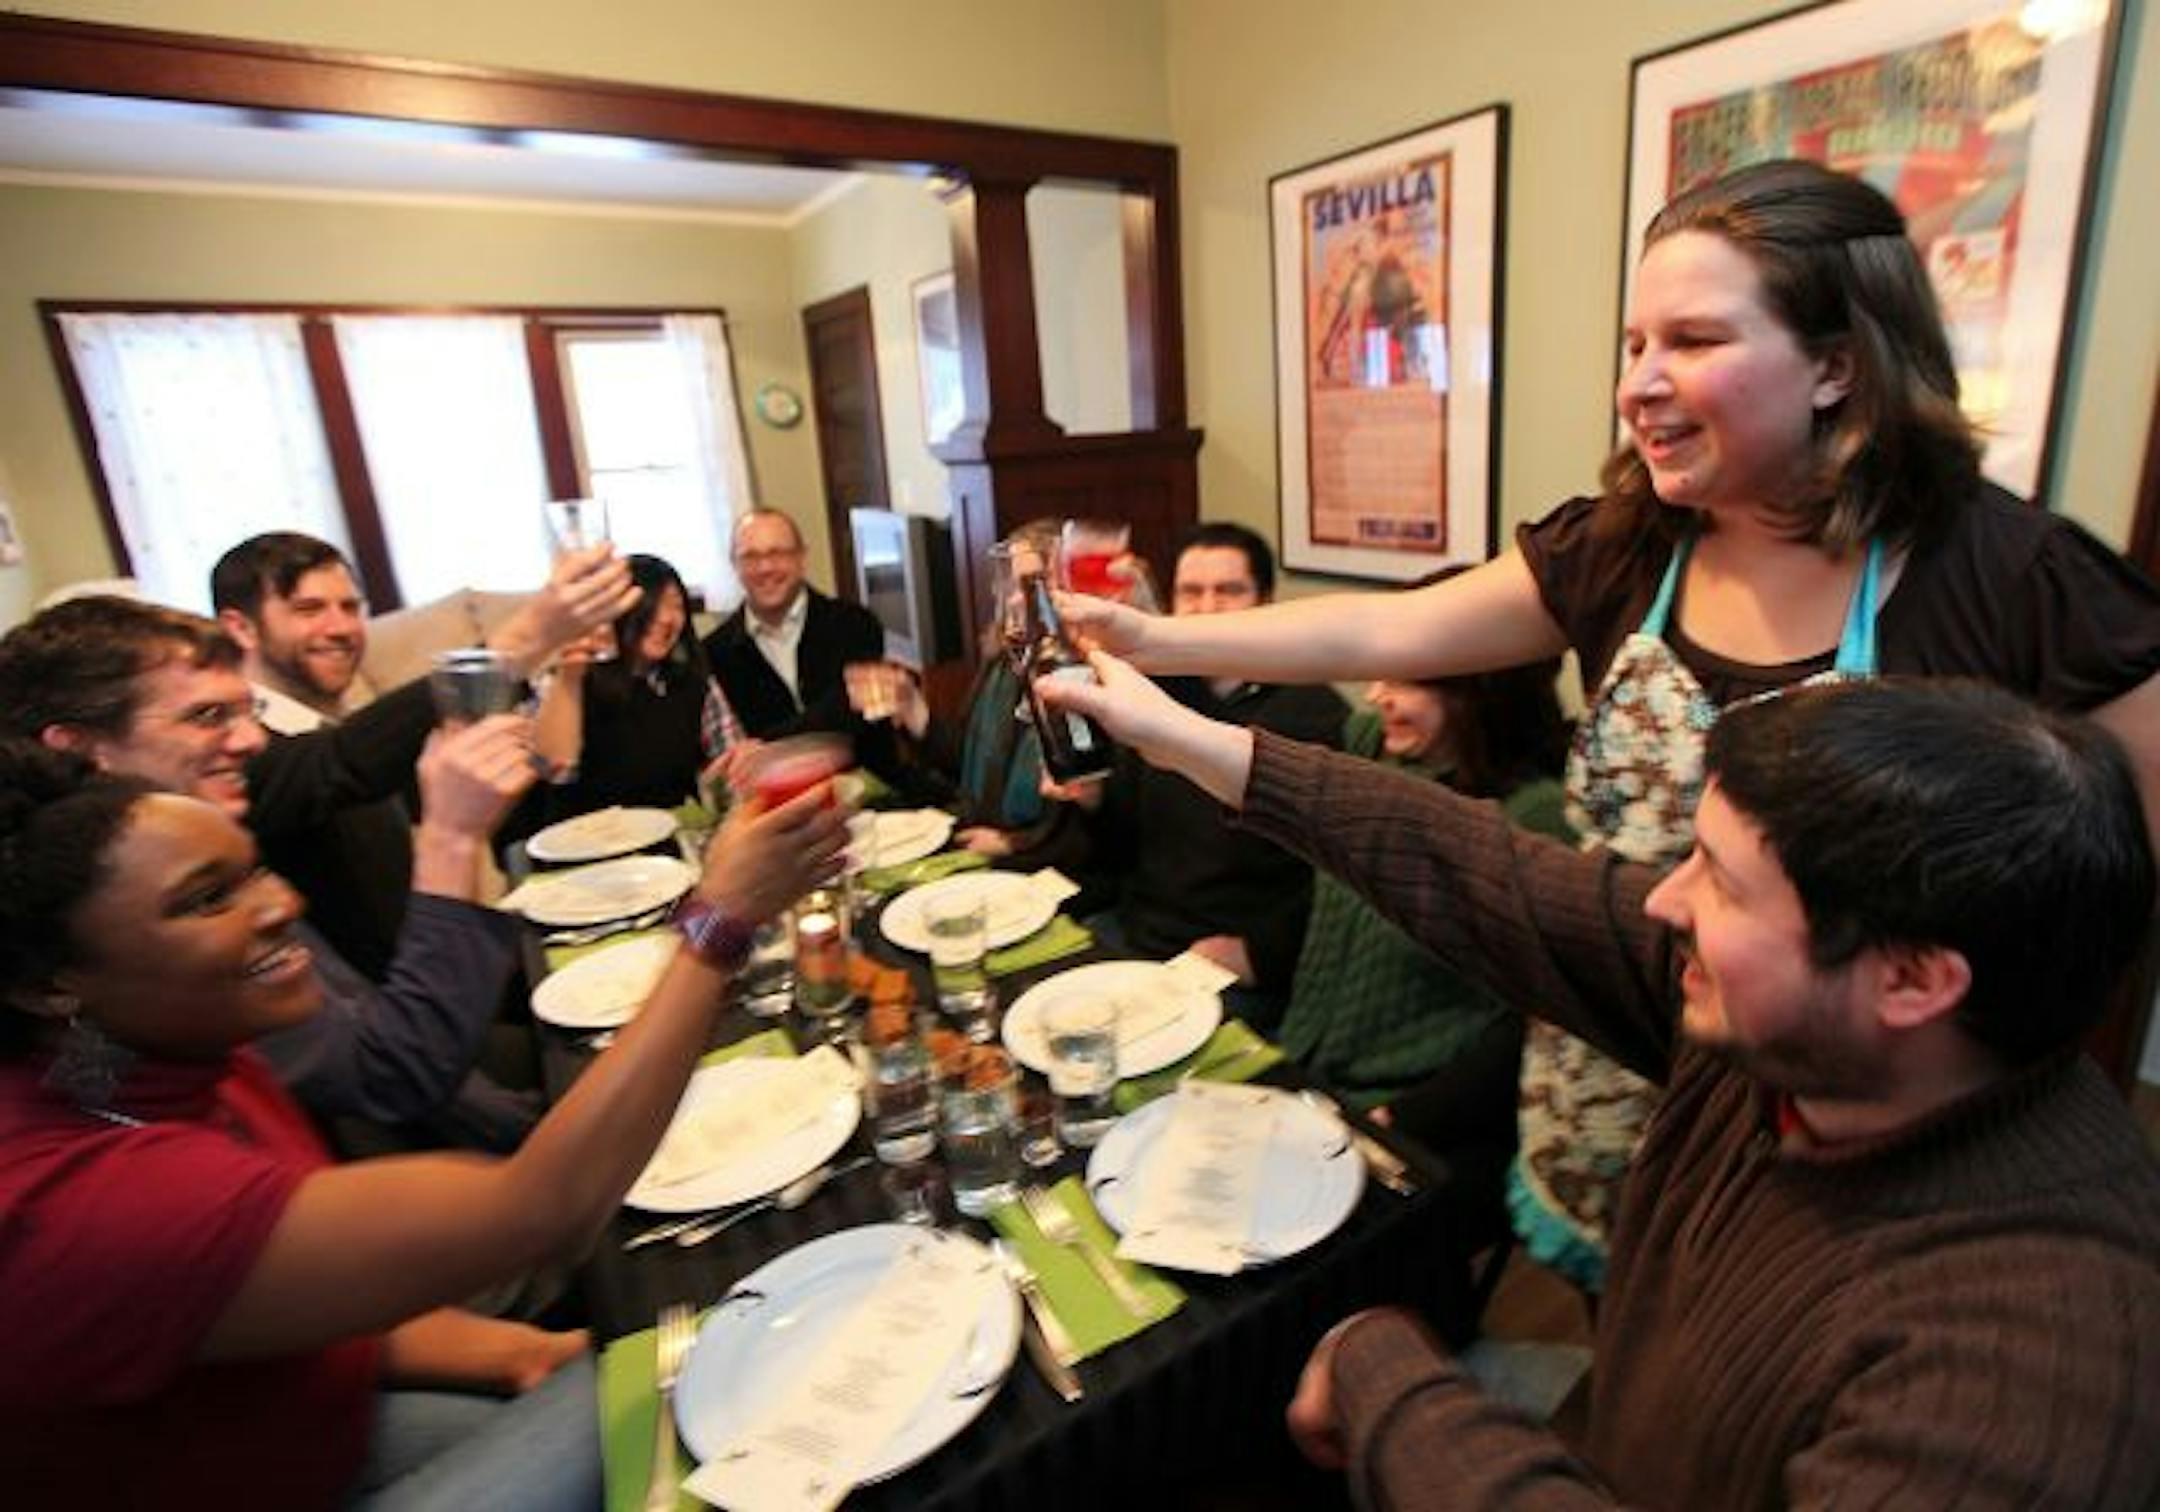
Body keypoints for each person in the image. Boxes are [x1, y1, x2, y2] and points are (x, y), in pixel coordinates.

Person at [1064, 158, 2160, 1289]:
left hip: (1849, 1150)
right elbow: (1383, 630)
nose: (1640, 384)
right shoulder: (1624, 549)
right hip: (1604, 1084)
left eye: (1694, 340)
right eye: (1635, 345)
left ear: (1837, 365)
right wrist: (1153, 642)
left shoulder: (2018, 583)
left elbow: (2100, 917)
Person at [1049, 663, 2160, 1507]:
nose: (1666, 903)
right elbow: (1489, 871)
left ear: (1912, 979)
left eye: (1721, 881)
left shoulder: (2024, 1371)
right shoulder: (1803, 1030)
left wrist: (1388, 1384)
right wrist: (1191, 740)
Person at [0, 737, 846, 1510]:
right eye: (206, 899)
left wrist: (514, 1353)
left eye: (256, 871)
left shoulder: (119, 1058)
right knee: (750, 1385)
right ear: (49, 983)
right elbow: (544, 1209)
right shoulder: (82, 1203)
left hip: (308, 1426)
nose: (282, 902)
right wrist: (718, 921)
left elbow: (297, 1286)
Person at [0, 598, 533, 1145]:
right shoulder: (116, 930)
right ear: (79, 749)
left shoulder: (201, 835)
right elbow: (388, 1074)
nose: (253, 740)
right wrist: (452, 836)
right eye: (207, 716)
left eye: (247, 710)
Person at [210, 531, 636, 980]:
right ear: (241, 628)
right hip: (393, 1002)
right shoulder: (232, 754)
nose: (341, 628)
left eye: (350, 608)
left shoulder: (334, 721)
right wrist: (527, 637)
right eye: (309, 609)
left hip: (451, 958)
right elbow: (336, 764)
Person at [1279, 636, 1572, 1190]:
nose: (1375, 695)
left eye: (1403, 681)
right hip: (1309, 1071)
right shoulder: (1372, 748)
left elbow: (1537, 1021)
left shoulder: (1535, 817)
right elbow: (1342, 909)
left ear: (1476, 694)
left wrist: (1405, 1119)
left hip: (1416, 1111)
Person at [1054, 522, 1345, 1013]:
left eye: (1229, 591)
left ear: (1266, 602)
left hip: (1229, 967)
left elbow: (1339, 882)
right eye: (1191, 592)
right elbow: (1122, 848)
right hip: (1133, 934)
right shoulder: (1150, 697)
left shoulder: (1316, 712)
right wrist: (1095, 802)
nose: (1207, 607)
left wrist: (1260, 953)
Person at [542, 552, 745, 820]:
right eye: (653, 604)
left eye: (676, 606)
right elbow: (554, 770)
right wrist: (569, 677)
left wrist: (735, 767)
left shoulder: (693, 680)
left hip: (675, 834)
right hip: (588, 837)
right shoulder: (573, 676)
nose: (667, 618)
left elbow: (729, 752)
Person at [703, 508, 886, 742]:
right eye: (750, 557)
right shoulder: (713, 654)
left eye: (777, 553)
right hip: (770, 768)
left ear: (801, 558)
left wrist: (762, 745)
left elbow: (849, 712)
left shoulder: (855, 624)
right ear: (734, 565)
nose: (765, 568)